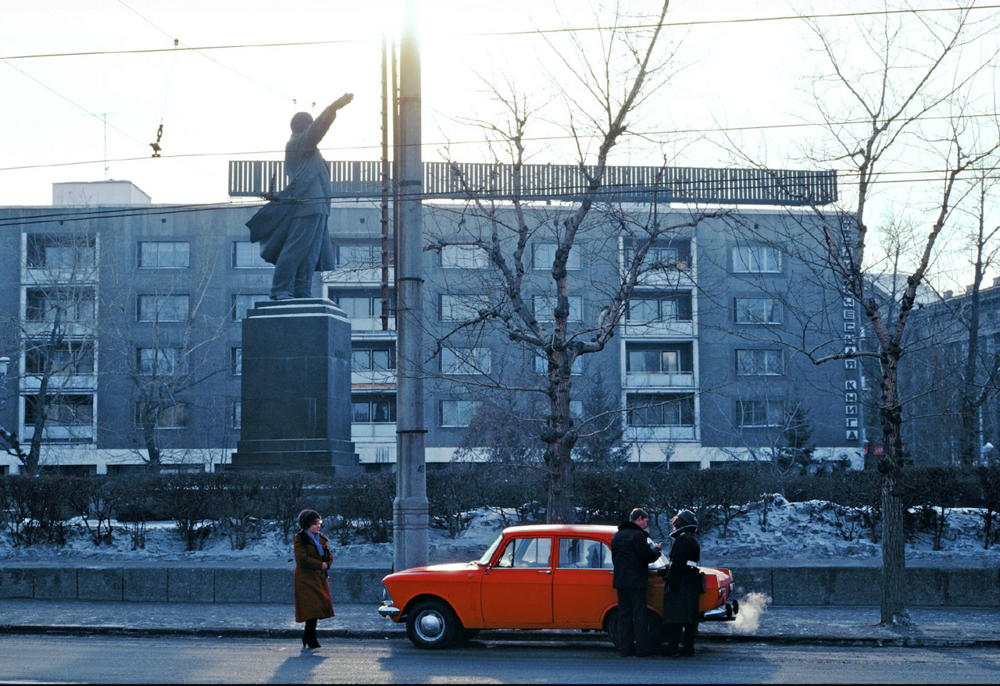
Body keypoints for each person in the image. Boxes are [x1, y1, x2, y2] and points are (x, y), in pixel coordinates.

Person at [268, 93, 354, 300]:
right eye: (308, 123)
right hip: (306, 205)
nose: (311, 126)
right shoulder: (298, 143)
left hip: (319, 207)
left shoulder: (309, 149)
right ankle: (280, 289)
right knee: (296, 248)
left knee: (311, 254)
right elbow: (317, 131)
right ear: (298, 126)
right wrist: (332, 108)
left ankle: (301, 290)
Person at [610, 507, 662, 657]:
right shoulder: (638, 536)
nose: (646, 524)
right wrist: (656, 550)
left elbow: (615, 559)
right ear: (639, 518)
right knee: (639, 615)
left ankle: (625, 649)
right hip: (636, 581)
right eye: (645, 521)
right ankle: (642, 649)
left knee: (624, 615)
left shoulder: (617, 536)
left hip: (620, 580)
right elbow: (646, 556)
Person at [662, 509, 701, 657]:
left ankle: (672, 648)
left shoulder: (682, 540)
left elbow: (677, 564)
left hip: (681, 584)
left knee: (676, 618)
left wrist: (669, 579)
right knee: (689, 618)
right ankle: (688, 648)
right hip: (690, 582)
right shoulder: (692, 539)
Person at [294, 509, 334, 649]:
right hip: (305, 579)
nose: (318, 526)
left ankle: (308, 636)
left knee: (317, 608)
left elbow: (329, 556)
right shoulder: (300, 539)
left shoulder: (321, 539)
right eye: (314, 523)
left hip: (319, 578)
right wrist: (320, 564)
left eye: (319, 523)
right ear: (306, 525)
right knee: (311, 608)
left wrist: (326, 564)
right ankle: (311, 638)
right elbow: (301, 559)